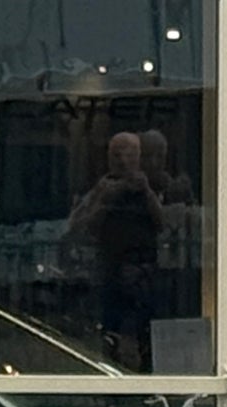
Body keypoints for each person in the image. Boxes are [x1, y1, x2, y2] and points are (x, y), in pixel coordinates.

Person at [70, 132, 164, 370]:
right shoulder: (101, 188)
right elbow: (81, 226)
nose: (124, 161)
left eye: (130, 155)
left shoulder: (149, 185)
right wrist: (105, 199)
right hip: (111, 269)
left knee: (145, 331)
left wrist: (147, 191)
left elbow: (162, 223)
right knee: (111, 331)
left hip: (144, 270)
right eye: (117, 155)